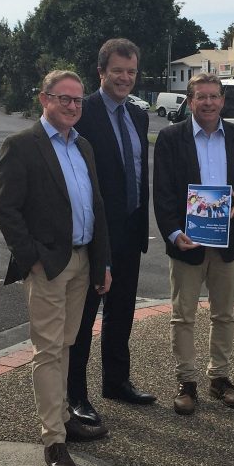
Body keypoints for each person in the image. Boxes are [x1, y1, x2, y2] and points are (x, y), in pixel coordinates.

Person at [0, 70, 112, 466]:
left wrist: (102, 263)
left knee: (66, 344)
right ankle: (53, 439)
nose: (73, 106)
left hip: (82, 262)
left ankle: (63, 417)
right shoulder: (23, 146)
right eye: (64, 99)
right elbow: (5, 208)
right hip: (48, 266)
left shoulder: (84, 147)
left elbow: (96, 207)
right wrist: (33, 259)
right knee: (48, 350)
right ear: (44, 98)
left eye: (78, 100)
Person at [152, 73, 234, 415]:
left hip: (226, 243)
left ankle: (219, 378)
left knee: (224, 314)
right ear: (189, 101)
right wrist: (173, 233)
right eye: (200, 96)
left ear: (222, 101)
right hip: (187, 243)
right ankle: (186, 382)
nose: (208, 102)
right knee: (183, 315)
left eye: (214, 96)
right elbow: (163, 193)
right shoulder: (172, 139)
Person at [68, 38, 156, 426]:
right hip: (94, 236)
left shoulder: (138, 115)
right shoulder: (81, 113)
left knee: (121, 313)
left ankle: (116, 382)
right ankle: (76, 396)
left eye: (131, 71)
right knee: (83, 320)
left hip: (131, 230)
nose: (125, 78)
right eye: (118, 70)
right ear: (101, 71)